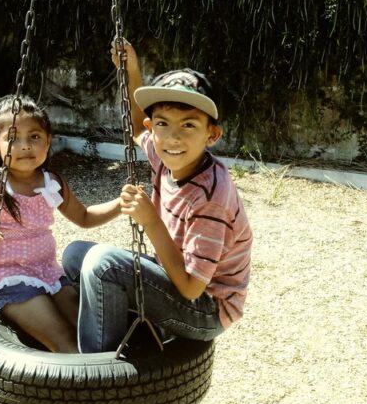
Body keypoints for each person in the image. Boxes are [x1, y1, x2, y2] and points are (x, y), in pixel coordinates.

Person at [63, 40, 253, 353]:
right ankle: (111, 336)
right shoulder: (165, 154)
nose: (173, 137)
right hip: (174, 277)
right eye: (163, 124)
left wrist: (151, 220)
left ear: (212, 134)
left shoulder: (211, 197)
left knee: (103, 263)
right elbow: (138, 124)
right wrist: (131, 71)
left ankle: (96, 377)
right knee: (75, 256)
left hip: (206, 309)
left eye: (189, 125)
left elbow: (192, 288)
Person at [0, 95, 121, 353]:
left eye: (35, 137)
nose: (25, 146)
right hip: (8, 277)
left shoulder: (51, 182)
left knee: (86, 325)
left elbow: (84, 217)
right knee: (62, 337)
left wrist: (120, 204)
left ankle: (114, 380)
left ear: (48, 141)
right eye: (13, 138)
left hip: (48, 272)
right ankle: (87, 390)